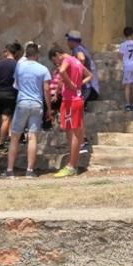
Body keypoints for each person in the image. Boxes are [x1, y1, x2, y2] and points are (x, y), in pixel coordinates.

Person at [4, 42, 52, 178]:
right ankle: (29, 170)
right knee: (32, 137)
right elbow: (47, 90)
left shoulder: (19, 67)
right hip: (37, 104)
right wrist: (49, 109)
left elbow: (17, 84)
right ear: (36, 55)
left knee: (15, 137)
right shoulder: (43, 69)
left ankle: (9, 170)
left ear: (26, 54)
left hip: (22, 102)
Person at [50, 47, 90, 178]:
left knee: (73, 134)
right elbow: (89, 75)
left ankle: (71, 166)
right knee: (73, 133)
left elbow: (62, 71)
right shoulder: (76, 61)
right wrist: (79, 84)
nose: (56, 64)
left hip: (70, 100)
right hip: (76, 99)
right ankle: (73, 164)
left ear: (57, 54)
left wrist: (71, 84)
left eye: (55, 60)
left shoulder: (67, 60)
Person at [0, 43, 21, 149]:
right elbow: (19, 81)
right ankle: (1, 142)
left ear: (7, 52)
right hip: (10, 94)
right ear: (15, 53)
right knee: (6, 119)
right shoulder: (17, 65)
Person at [66, 31, 99, 103]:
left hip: (89, 90)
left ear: (72, 41)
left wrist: (77, 73)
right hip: (92, 89)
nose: (67, 43)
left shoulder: (77, 49)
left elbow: (82, 58)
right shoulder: (82, 48)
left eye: (68, 40)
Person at [117, 27, 133, 111]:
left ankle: (128, 104)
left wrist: (125, 59)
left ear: (124, 34)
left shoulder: (123, 45)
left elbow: (120, 55)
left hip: (127, 66)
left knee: (127, 85)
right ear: (132, 33)